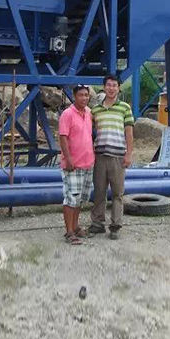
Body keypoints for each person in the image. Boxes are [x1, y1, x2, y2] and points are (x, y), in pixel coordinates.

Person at [89, 74, 134, 240]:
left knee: (117, 193)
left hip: (118, 157)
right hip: (100, 156)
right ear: (104, 87)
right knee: (99, 192)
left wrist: (129, 154)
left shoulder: (125, 108)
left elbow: (129, 133)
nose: (111, 88)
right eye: (108, 85)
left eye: (114, 85)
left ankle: (115, 226)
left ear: (118, 88)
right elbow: (89, 133)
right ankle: (97, 224)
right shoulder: (95, 110)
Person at [57, 84, 95, 245]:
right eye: (81, 95)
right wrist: (68, 159)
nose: (84, 98)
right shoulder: (67, 114)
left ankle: (76, 226)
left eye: (86, 95)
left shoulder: (89, 113)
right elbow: (63, 137)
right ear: (74, 96)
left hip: (88, 163)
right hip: (73, 164)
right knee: (71, 198)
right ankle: (69, 232)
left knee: (80, 199)